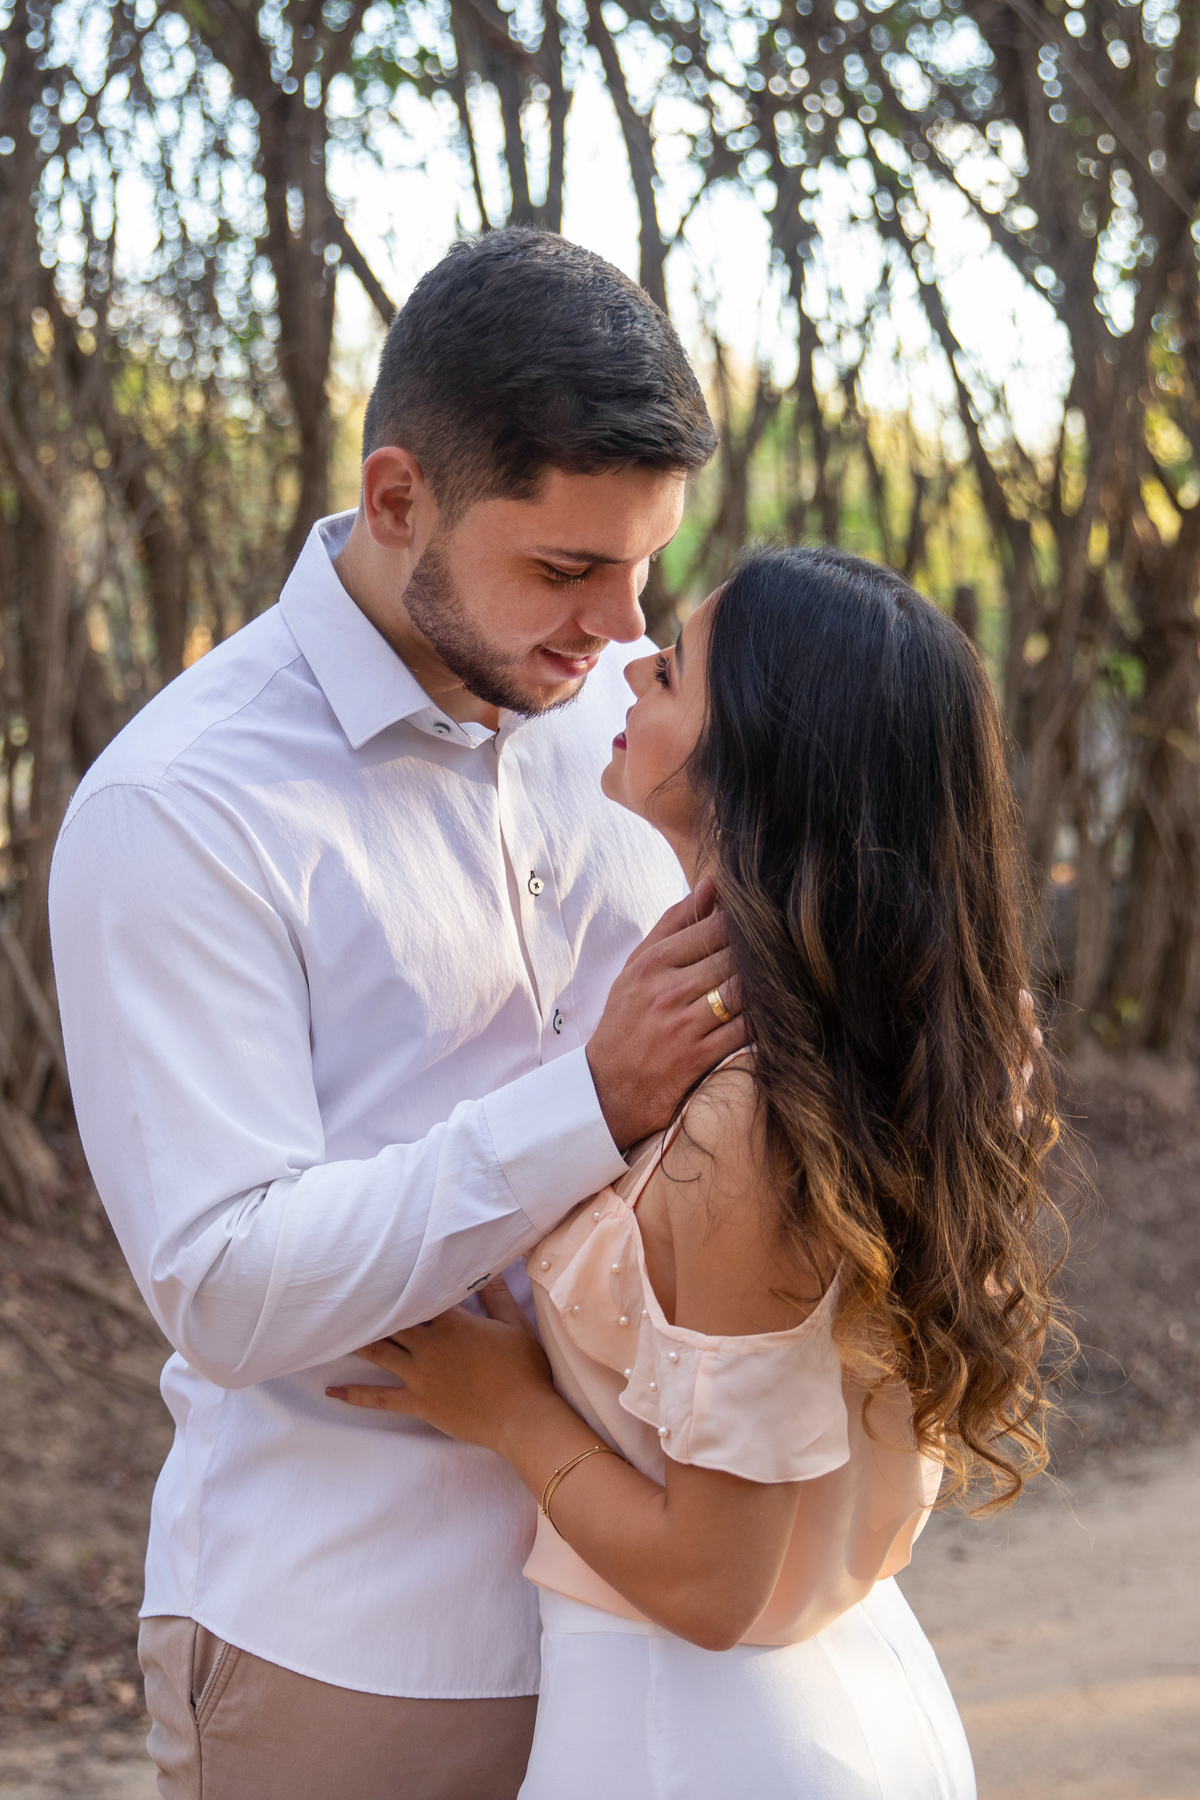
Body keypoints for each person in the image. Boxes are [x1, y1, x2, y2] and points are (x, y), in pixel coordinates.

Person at [48, 230, 745, 1800]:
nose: (616, 624)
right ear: (394, 500)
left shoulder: (625, 715)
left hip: (661, 1627)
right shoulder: (183, 807)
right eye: (563, 569)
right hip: (362, 1649)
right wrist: (592, 1102)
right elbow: (226, 1284)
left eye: (641, 568)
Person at [331, 546, 1066, 1800]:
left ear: (763, 756)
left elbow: (712, 1584)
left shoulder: (753, 1126)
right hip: (856, 1687)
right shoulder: (923, 1045)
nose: (630, 672)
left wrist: (503, 1406)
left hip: (696, 1730)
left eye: (670, 669)